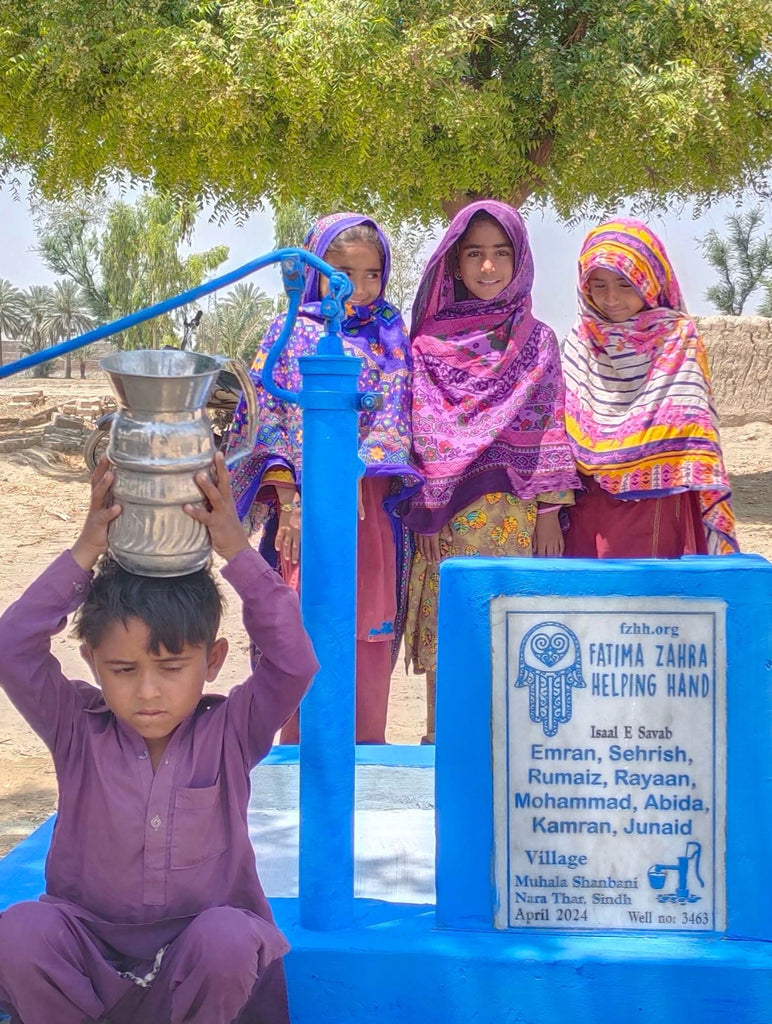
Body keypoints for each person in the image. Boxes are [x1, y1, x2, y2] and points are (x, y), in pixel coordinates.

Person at [0, 453, 318, 1024]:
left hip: (199, 975)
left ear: (213, 660)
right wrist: (84, 552)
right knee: (22, 931)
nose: (148, 692)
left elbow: (293, 663)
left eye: (171, 668)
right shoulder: (76, 727)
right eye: (123, 669)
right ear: (92, 661)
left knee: (224, 938)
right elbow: (12, 648)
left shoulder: (231, 731)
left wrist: (236, 551)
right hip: (89, 962)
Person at [229, 212, 418, 744]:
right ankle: (297, 746)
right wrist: (290, 498)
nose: (356, 288)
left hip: (366, 501)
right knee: (302, 616)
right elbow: (267, 416)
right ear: (315, 270)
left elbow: (395, 410)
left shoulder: (390, 331)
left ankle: (365, 745)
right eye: (341, 271)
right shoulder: (288, 331)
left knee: (365, 622)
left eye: (371, 273)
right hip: (305, 506)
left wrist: (357, 469)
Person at [403, 200, 580, 743]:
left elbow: (552, 421)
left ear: (520, 259)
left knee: (512, 634)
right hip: (448, 523)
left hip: (517, 519)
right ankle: (441, 744)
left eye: (501, 253)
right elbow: (420, 433)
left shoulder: (538, 341)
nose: (487, 267)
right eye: (474, 254)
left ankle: (512, 754)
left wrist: (550, 512)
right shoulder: (427, 344)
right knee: (449, 632)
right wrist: (428, 515)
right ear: (453, 264)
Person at [561, 218, 738, 557]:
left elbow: (692, 428)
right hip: (590, 503)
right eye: (599, 285)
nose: (611, 298)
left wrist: (636, 449)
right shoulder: (578, 341)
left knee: (657, 600)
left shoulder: (678, 338)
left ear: (652, 280)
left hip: (662, 499)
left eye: (626, 284)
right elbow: (563, 422)